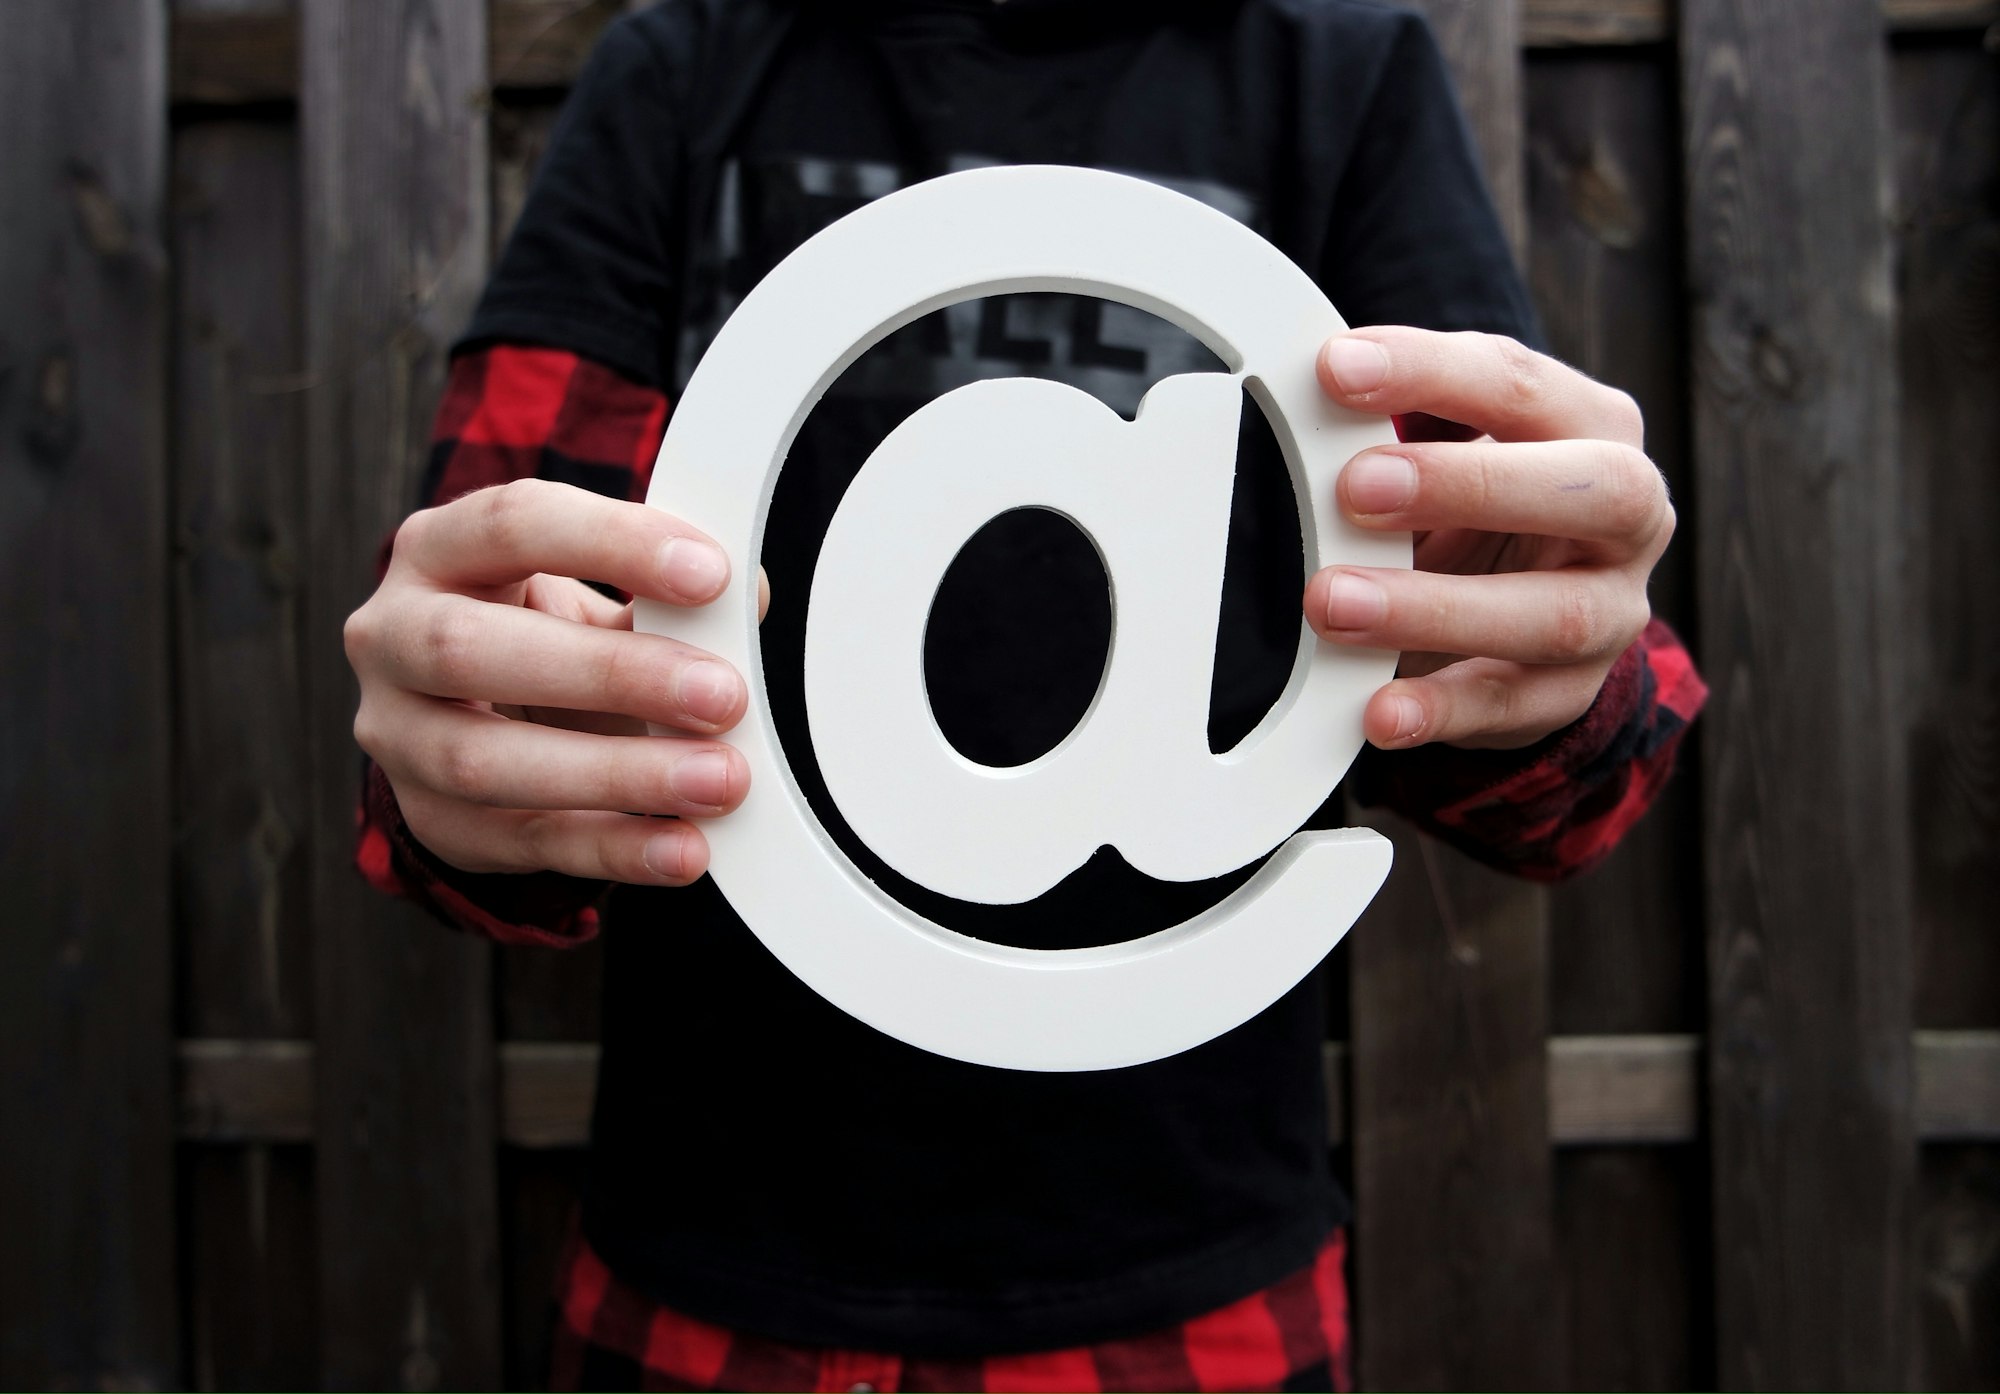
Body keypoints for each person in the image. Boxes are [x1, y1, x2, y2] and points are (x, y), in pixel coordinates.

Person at [343, 2, 1707, 1389]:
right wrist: (464, 749)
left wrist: (1552, 662)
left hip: (1198, 1295)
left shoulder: (1339, 75)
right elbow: (491, 652)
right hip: (707, 1281)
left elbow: (1564, 729)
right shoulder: (685, 66)